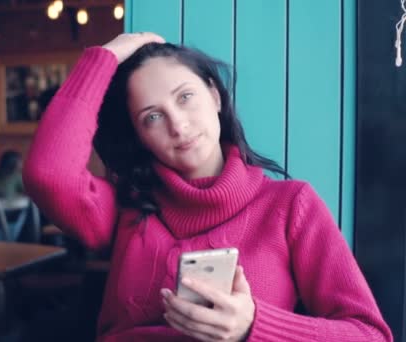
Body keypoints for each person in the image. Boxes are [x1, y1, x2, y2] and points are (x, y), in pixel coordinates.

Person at [22, 33, 392, 341]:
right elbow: (48, 174)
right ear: (139, 135)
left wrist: (255, 325)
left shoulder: (291, 204)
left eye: (185, 97)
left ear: (215, 96)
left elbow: (370, 334)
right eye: (152, 117)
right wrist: (104, 57)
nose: (178, 126)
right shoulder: (126, 206)